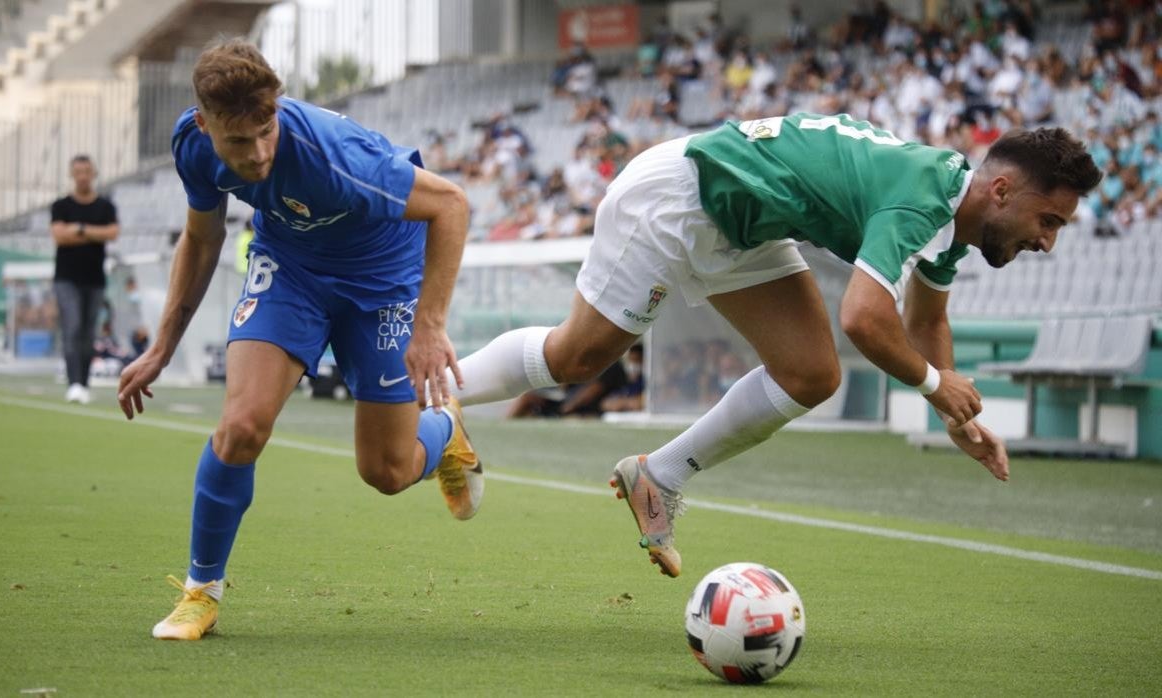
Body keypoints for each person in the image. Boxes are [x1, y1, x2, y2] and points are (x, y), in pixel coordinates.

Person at [447, 113, 1102, 578]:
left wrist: (958, 412)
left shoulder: (953, 219)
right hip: (682, 196)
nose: (1048, 241)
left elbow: (926, 321)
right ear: (1003, 191)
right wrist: (935, 385)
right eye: (1049, 221)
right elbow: (866, 319)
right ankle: (434, 390)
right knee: (578, 358)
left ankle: (658, 475)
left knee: (810, 374)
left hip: (745, 226)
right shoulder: (922, 201)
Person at [115, 38, 481, 641]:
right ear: (204, 126)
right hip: (292, 269)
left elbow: (451, 204)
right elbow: (203, 239)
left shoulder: (334, 156)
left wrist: (429, 325)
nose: (258, 154)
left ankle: (445, 431)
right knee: (241, 427)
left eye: (267, 131)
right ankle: (201, 593)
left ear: (277, 109)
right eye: (239, 141)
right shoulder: (191, 147)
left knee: (387, 472)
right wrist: (161, 348)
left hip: (382, 278)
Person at [50, 154, 119, 404]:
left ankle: (85, 383)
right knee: (73, 326)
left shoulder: (105, 206)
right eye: (78, 171)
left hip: (95, 279)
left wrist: (78, 229)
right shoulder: (61, 206)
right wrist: (93, 234)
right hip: (66, 278)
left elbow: (112, 232)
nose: (82, 176)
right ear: (72, 174)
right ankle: (74, 383)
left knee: (89, 333)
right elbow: (59, 236)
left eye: (87, 171)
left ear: (94, 174)